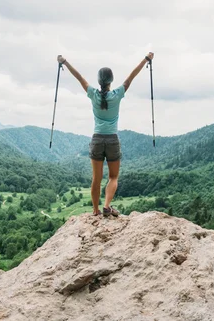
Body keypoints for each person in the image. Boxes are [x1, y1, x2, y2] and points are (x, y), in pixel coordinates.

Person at [57, 52, 154, 217]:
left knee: (96, 178)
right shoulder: (117, 95)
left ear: (99, 81)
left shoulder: (93, 94)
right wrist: (146, 59)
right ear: (111, 81)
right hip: (112, 140)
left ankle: (95, 211)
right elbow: (131, 76)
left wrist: (64, 62)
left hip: (96, 139)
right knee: (113, 177)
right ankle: (107, 206)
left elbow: (79, 77)